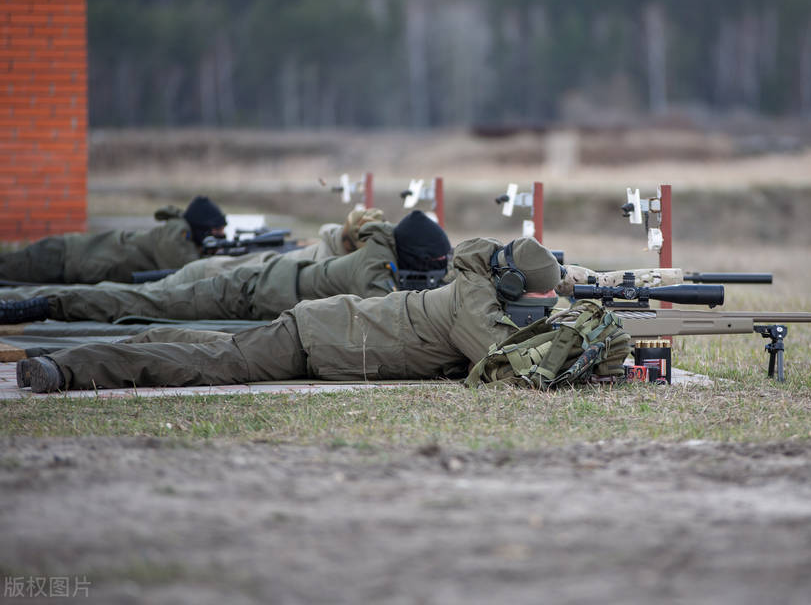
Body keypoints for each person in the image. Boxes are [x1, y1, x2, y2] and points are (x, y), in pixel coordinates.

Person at [15, 236, 564, 392]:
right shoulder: (474, 304)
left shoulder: (478, 286)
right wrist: (576, 334)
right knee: (200, 366)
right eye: (543, 296)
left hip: (324, 333)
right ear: (512, 285)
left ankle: (80, 352)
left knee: (205, 348)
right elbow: (509, 366)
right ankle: (66, 368)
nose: (547, 303)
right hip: (317, 338)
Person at [0, 210, 445, 325]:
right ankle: (39, 303)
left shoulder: (381, 253)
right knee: (144, 302)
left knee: (145, 300)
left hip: (257, 287)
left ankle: (40, 301)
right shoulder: (373, 266)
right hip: (244, 290)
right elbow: (389, 312)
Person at [0, 207, 385, 302]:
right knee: (109, 299)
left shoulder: (325, 255)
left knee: (110, 297)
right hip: (63, 256)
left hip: (77, 261)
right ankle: (18, 301)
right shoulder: (176, 238)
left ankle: (22, 300)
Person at [0, 196, 227, 285]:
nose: (221, 236)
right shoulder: (176, 233)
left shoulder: (183, 236)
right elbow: (186, 271)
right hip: (62, 256)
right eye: (217, 230)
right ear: (203, 228)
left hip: (68, 260)